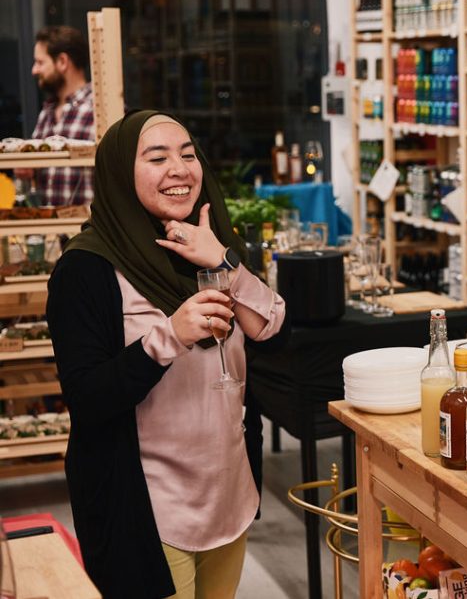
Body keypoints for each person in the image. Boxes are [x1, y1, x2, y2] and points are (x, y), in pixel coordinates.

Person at [47, 110, 289, 599]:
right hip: (147, 506)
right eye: (157, 157)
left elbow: (272, 331)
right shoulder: (85, 270)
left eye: (187, 153)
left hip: (227, 493)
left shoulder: (210, 243)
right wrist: (169, 337)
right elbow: (88, 397)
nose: (180, 169)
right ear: (120, 174)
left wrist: (223, 260)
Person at [14, 26, 96, 205]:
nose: (34, 70)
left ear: (62, 61)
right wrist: (29, 170)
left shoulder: (100, 109)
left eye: (40, 62)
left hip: (89, 230)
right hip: (51, 230)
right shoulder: (47, 111)